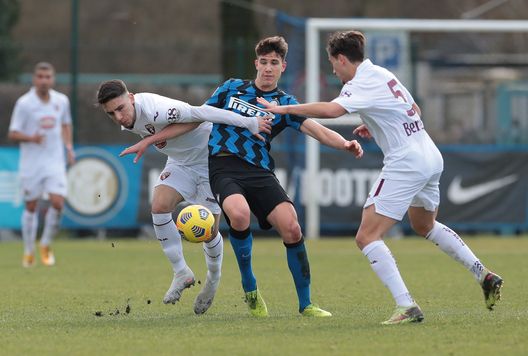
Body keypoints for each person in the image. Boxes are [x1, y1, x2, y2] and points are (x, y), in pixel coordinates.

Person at [258, 30, 503, 324]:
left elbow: (332, 110)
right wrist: (376, 126)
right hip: (429, 153)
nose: (333, 71)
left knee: (366, 236)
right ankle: (483, 273)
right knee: (424, 224)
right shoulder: (382, 73)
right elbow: (414, 109)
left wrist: (282, 107)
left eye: (333, 64)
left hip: (406, 162)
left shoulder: (360, 81)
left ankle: (406, 305)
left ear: (342, 59)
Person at [206, 36, 363, 317]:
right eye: (264, 62)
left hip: (259, 171)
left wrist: (345, 143)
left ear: (283, 67)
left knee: (292, 228)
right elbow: (198, 114)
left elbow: (316, 129)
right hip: (224, 167)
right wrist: (159, 134)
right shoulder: (231, 88)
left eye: (274, 63)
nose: (268, 67)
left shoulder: (284, 103)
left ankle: (306, 304)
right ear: (256, 63)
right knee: (239, 215)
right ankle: (249, 285)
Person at [96, 79, 272, 314]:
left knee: (209, 231)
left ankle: (213, 278)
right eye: (111, 114)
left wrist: (249, 122)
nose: (118, 117)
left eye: (120, 109)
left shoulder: (155, 108)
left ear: (131, 97)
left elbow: (201, 114)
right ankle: (181, 272)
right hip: (181, 163)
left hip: (210, 160)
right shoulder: (127, 118)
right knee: (159, 206)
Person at [8, 62, 75, 268]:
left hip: (54, 161)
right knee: (31, 206)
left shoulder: (61, 101)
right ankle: (29, 250)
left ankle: (45, 244)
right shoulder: (24, 103)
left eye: (48, 77)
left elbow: (65, 124)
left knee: (58, 203)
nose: (44, 80)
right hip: (31, 164)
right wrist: (31, 138)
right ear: (34, 79)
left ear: (53, 79)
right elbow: (12, 133)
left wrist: (69, 146)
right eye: (40, 76)